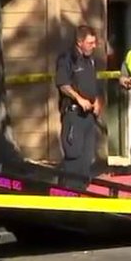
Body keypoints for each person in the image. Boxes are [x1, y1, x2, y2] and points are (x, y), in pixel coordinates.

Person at [55, 25, 101, 188]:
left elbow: (94, 85)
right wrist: (79, 99)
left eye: (94, 42)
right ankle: (67, 191)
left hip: (89, 117)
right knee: (73, 155)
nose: (93, 46)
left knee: (86, 158)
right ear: (79, 42)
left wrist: (97, 102)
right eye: (90, 43)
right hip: (74, 115)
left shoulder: (91, 61)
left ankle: (82, 191)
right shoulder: (67, 59)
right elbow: (63, 84)